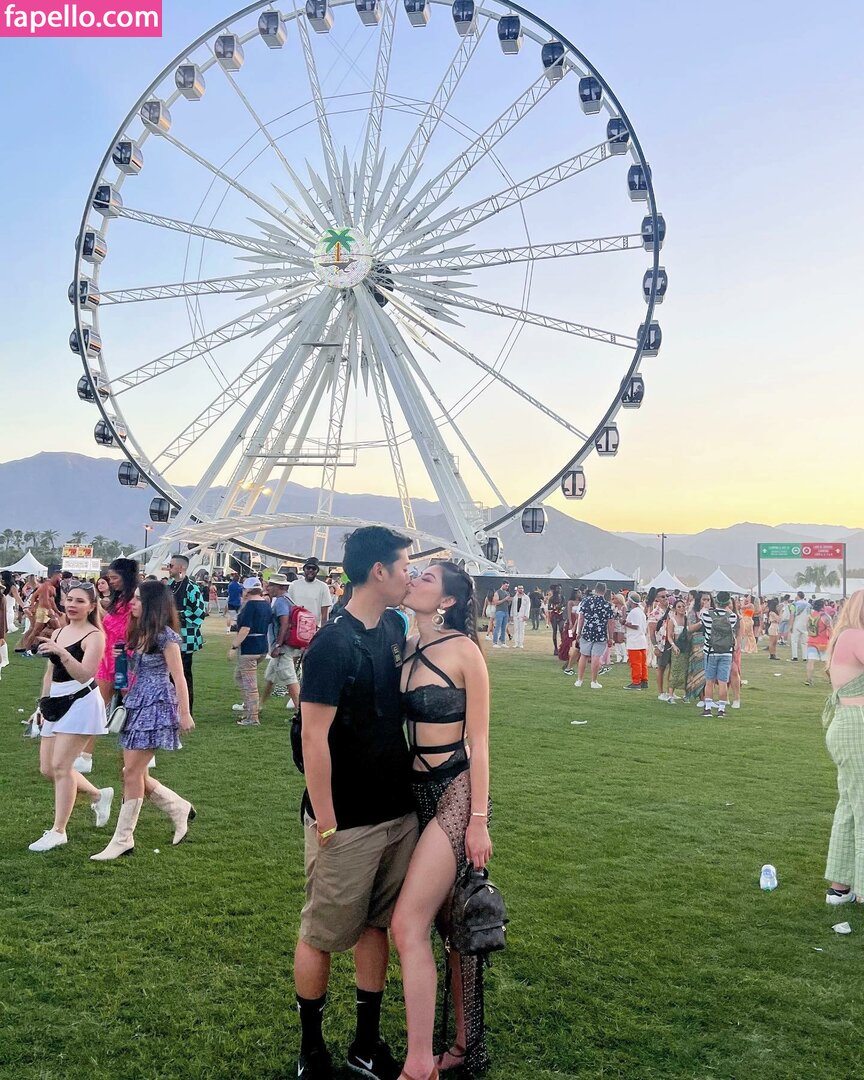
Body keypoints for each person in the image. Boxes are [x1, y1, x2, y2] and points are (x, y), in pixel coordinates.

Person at [294, 526, 417, 1080]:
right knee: (321, 933)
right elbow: (313, 736)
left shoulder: (393, 626)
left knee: (376, 926)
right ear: (379, 571)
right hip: (345, 818)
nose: (410, 575)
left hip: (397, 810)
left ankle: (366, 1043)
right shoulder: (332, 643)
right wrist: (326, 819)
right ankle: (311, 1049)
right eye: (405, 566)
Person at [391, 562, 492, 1080]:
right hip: (413, 794)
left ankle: (423, 1065)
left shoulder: (464, 651)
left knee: (411, 921)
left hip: (455, 795)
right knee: (448, 924)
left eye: (427, 579)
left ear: (447, 601)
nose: (414, 580)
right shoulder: (406, 645)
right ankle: (463, 1043)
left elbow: (481, 742)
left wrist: (478, 820)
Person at [91, 580, 196, 860]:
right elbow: (134, 671)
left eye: (138, 599)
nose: (132, 603)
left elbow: (179, 677)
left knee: (132, 773)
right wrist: (122, 659)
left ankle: (123, 838)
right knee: (133, 771)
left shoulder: (166, 637)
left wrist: (184, 713)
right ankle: (178, 807)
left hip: (157, 704)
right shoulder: (139, 632)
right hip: (137, 701)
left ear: (151, 604)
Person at [28, 583, 113, 852]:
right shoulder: (60, 631)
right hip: (56, 700)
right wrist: (41, 705)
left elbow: (85, 674)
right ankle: (98, 794)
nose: (72, 605)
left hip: (81, 702)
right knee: (47, 769)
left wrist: (62, 652)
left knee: (62, 767)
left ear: (91, 606)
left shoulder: (94, 636)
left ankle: (58, 831)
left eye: (80, 601)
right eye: (70, 600)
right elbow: (49, 673)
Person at [820, 590, 864, 907]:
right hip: (856, 726)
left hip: (849, 724)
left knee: (850, 805)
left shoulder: (846, 636)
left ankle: (840, 888)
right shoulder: (854, 636)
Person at [229, 579, 272, 726]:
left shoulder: (249, 606)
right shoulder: (266, 604)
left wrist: (234, 646)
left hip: (249, 648)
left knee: (250, 684)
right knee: (239, 676)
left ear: (247, 590)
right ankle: (249, 708)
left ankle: (252, 717)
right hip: (262, 646)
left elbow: (245, 629)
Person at [167, 554, 206, 710]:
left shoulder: (191, 587)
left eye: (171, 565)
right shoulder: (170, 584)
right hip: (170, 637)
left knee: (183, 676)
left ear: (181, 567)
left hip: (185, 639)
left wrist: (177, 615)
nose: (168, 568)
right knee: (169, 676)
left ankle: (186, 710)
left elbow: (200, 612)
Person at [257, 574, 301, 712]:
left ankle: (301, 713)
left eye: (271, 585)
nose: (268, 587)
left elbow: (284, 624)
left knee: (290, 679)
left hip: (283, 648)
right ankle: (258, 706)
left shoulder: (281, 601)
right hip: (286, 645)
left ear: (280, 587)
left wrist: (278, 645)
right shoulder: (287, 599)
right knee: (270, 678)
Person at [700, 591, 739, 717]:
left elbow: (703, 621)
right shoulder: (732, 617)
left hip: (710, 651)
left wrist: (707, 607)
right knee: (723, 681)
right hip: (726, 652)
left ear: (715, 601)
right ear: (728, 602)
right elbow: (732, 618)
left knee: (709, 681)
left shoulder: (707, 615)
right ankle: (721, 709)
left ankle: (708, 709)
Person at [575, 583, 614, 690]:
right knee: (596, 657)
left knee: (583, 655)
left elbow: (581, 618)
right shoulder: (607, 605)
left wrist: (578, 632)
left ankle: (579, 680)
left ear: (595, 590)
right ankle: (593, 681)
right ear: (604, 591)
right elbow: (610, 623)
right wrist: (610, 637)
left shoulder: (585, 601)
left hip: (587, 632)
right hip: (600, 634)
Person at [289, 557, 333, 629]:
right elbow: (289, 607)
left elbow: (325, 615)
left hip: (313, 628)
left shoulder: (323, 587)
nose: (310, 570)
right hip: (295, 627)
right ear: (304, 569)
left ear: (317, 571)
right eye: (308, 568)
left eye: (313, 568)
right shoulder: (293, 585)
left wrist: (323, 631)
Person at [685, 592, 711, 704]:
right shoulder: (693, 612)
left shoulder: (712, 612)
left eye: (708, 599)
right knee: (700, 669)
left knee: (709, 670)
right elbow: (690, 628)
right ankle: (701, 696)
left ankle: (708, 696)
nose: (706, 602)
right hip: (697, 642)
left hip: (710, 642)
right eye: (704, 599)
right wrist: (702, 621)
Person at [666, 598, 690, 703]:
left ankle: (686, 694)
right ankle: (670, 695)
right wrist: (673, 645)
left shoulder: (687, 619)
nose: (681, 608)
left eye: (683, 606)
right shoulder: (672, 620)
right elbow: (669, 636)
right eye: (679, 607)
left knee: (686, 671)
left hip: (686, 648)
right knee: (675, 670)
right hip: (677, 648)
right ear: (675, 609)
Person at [623, 593, 648, 690]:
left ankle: (636, 682)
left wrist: (625, 623)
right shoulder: (640, 611)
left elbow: (635, 625)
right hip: (641, 640)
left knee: (635, 663)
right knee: (642, 663)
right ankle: (644, 680)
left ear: (631, 601)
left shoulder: (634, 612)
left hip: (634, 640)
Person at [806, 599, 833, 687]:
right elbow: (830, 629)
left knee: (810, 661)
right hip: (823, 642)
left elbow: (807, 627)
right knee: (826, 662)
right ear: (823, 606)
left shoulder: (810, 615)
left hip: (811, 641)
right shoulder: (825, 617)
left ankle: (809, 679)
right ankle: (831, 679)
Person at [509, 584, 531, 649]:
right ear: (517, 589)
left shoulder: (526, 597)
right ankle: (516, 643)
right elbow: (512, 606)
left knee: (521, 630)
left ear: (523, 589)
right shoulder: (515, 597)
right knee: (516, 629)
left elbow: (528, 607)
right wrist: (511, 615)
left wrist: (526, 615)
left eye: (521, 588)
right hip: (515, 615)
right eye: (519, 588)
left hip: (522, 615)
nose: (520, 589)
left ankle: (521, 643)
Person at [490, 580, 510, 648]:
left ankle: (502, 641)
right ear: (502, 585)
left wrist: (508, 600)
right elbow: (496, 602)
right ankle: (495, 642)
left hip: (506, 611)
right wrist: (505, 599)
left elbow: (508, 603)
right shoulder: (497, 592)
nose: (507, 587)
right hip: (499, 611)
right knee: (497, 627)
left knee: (504, 627)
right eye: (506, 586)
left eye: (507, 586)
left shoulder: (507, 593)